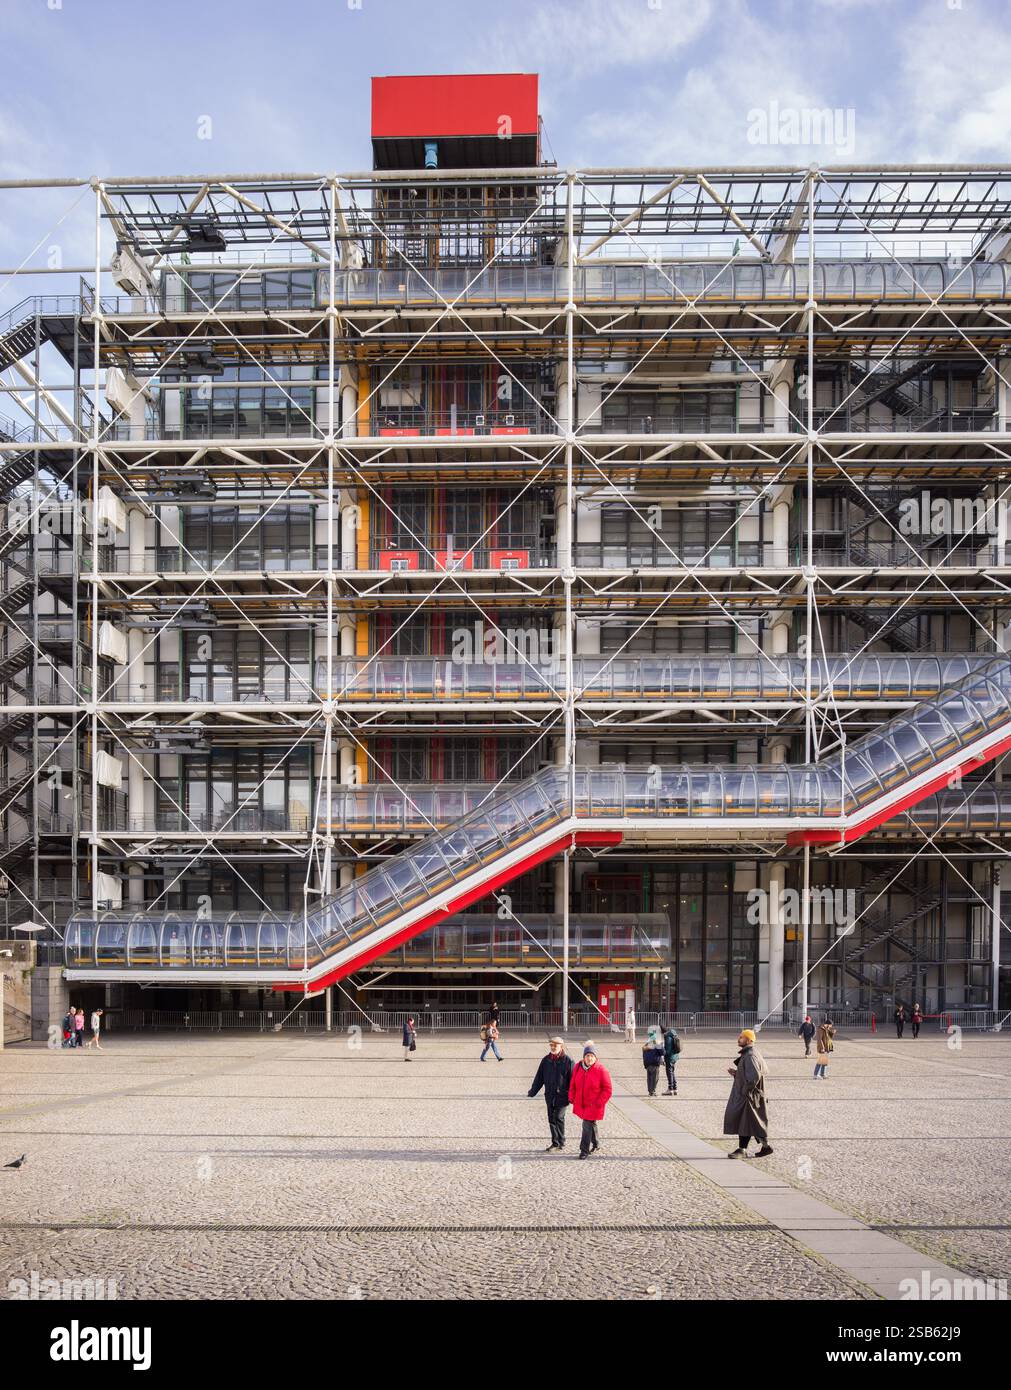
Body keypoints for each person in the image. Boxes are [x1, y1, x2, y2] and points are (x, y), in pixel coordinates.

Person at [723, 1028, 772, 1158]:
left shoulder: (750, 1055)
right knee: (750, 1121)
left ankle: (742, 1149)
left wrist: (745, 1091)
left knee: (745, 1121)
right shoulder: (749, 1054)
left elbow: (754, 1076)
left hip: (749, 1096)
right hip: (748, 1095)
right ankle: (765, 1146)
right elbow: (750, 1074)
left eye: (742, 1037)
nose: (739, 1039)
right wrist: (737, 1073)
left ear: (749, 1040)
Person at [527, 1036, 574, 1150]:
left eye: (555, 1045)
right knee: (551, 1119)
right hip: (549, 1095)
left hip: (563, 1096)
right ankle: (556, 1142)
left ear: (561, 1046)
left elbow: (574, 1081)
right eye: (551, 1045)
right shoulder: (546, 1060)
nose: (553, 1047)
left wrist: (573, 1096)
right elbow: (539, 1077)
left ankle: (560, 1141)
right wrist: (533, 1091)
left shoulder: (568, 1061)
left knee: (558, 1117)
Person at [569, 1043, 613, 1159]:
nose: (589, 1058)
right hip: (581, 1103)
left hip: (593, 1105)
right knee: (590, 1124)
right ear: (584, 1057)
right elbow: (572, 1083)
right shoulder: (578, 1067)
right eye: (587, 1055)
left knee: (586, 1125)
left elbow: (607, 1089)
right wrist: (571, 1096)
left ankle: (584, 1150)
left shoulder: (601, 1070)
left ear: (596, 1058)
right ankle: (596, 1143)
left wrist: (599, 1103)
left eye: (592, 1056)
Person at [641, 1031, 664, 1096]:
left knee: (649, 1078)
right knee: (655, 1078)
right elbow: (662, 1052)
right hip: (654, 1062)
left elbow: (644, 1053)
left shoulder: (647, 1043)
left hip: (648, 1063)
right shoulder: (656, 1042)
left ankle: (650, 1091)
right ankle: (652, 1092)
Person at [662, 1023, 681, 1095]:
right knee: (672, 1072)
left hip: (670, 1057)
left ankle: (670, 1089)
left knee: (669, 1073)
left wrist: (662, 1053)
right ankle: (675, 1088)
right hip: (674, 1056)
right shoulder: (672, 1034)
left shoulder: (668, 1037)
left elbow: (667, 1051)